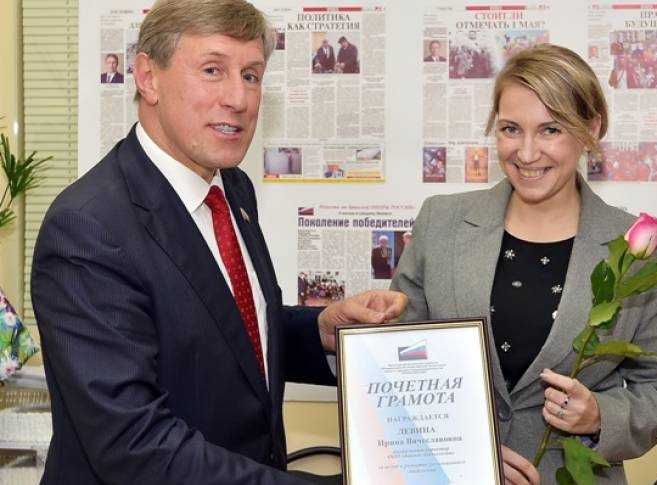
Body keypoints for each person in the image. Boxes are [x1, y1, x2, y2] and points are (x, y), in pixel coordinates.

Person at [31, 1, 406, 484]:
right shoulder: (88, 228)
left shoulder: (231, 188)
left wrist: (320, 333)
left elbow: (222, 330)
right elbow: (135, 446)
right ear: (148, 77)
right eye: (213, 70)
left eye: (251, 75)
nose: (239, 98)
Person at [391, 44, 657, 484]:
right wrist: (466, 449)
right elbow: (397, 367)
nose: (527, 153)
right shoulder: (442, 222)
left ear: (591, 129)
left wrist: (599, 415)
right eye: (511, 129)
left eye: (550, 130)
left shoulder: (635, 248)